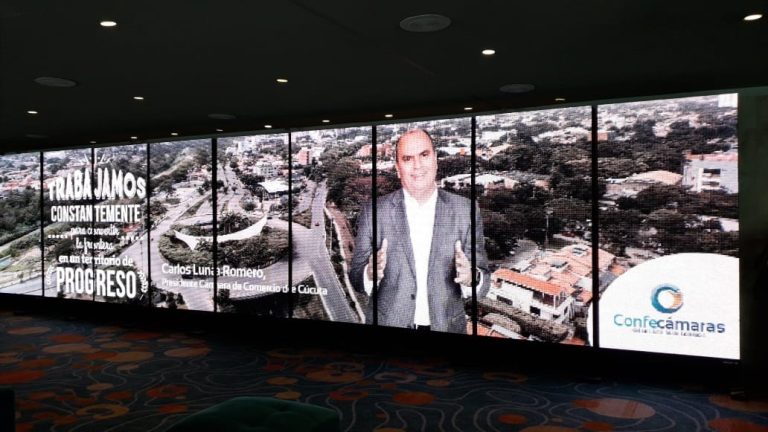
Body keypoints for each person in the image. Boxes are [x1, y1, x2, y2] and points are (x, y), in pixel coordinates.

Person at [349, 129, 490, 334]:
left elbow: (484, 279)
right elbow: (356, 277)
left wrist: (471, 277)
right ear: (398, 168)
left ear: (435, 160)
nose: (417, 165)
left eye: (424, 155)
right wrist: (369, 273)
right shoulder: (374, 211)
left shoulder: (466, 209)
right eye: (407, 159)